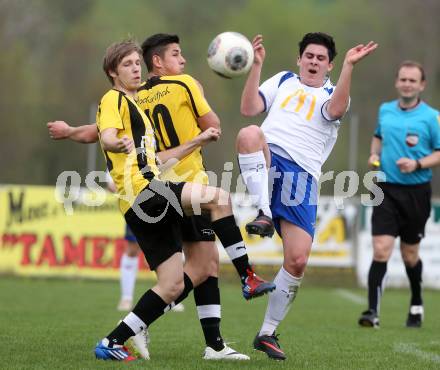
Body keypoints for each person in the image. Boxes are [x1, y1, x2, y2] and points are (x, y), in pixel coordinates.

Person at [235, 33, 377, 360]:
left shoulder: (334, 92)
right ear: (299, 59)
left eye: (320, 58)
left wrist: (350, 68)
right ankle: (264, 212)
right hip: (270, 158)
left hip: (303, 176)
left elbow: (337, 109)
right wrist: (256, 66)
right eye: (309, 56)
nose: (313, 61)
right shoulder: (283, 79)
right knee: (250, 133)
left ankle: (267, 333)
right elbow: (248, 109)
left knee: (298, 260)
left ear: (329, 65)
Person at [358, 61, 440, 329]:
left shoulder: (431, 117)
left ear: (421, 85)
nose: (407, 84)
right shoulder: (385, 110)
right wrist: (374, 154)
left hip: (416, 192)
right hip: (385, 188)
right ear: (396, 82)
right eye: (403, 79)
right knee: (381, 249)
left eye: (412, 80)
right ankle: (372, 312)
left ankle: (416, 302)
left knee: (409, 255)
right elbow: (378, 136)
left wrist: (417, 164)